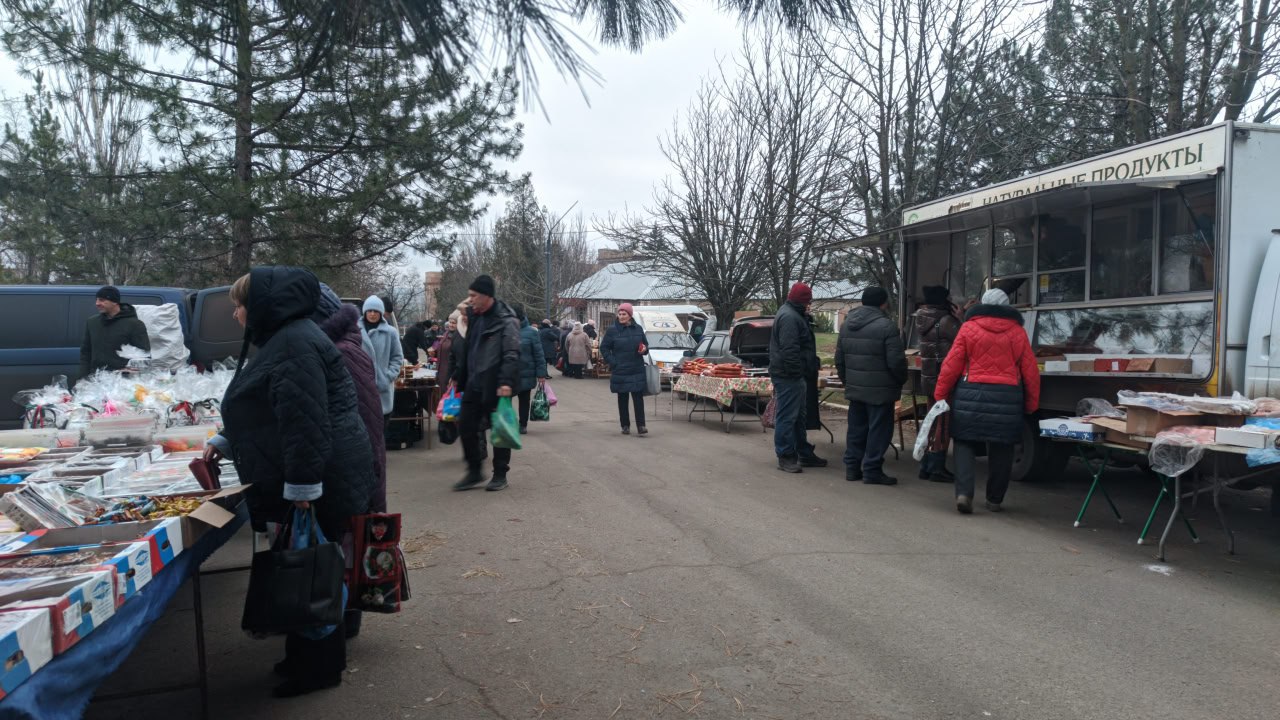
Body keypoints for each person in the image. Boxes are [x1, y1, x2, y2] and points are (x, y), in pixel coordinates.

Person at [207, 267, 374, 698]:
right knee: (304, 564)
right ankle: (304, 657)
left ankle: (318, 668)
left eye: (239, 305)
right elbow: (267, 407)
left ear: (262, 306)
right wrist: (224, 441)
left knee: (311, 568)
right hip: (318, 471)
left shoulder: (294, 344)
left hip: (320, 475)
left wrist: (302, 490)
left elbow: (304, 423)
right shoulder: (287, 339)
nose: (236, 314)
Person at [934, 288, 1041, 514]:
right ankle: (994, 500)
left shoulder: (968, 328)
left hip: (970, 394)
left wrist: (940, 394)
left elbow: (951, 364)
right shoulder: (1017, 331)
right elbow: (1030, 370)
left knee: (964, 442)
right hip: (1007, 396)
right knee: (1003, 446)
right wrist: (1031, 403)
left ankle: (964, 493)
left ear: (982, 304)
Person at [451, 275, 521, 492]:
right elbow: (470, 349)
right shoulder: (476, 317)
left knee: (500, 430)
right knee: (466, 426)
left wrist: (506, 381)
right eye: (469, 295)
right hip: (474, 382)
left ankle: (500, 474)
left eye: (474, 295)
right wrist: (459, 375)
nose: (470, 299)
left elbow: (511, 353)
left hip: (495, 383)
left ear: (487, 295)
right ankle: (474, 471)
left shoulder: (506, 320)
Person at [835, 287, 907, 485]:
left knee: (856, 429)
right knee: (879, 431)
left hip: (855, 387)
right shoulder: (887, 326)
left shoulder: (847, 325)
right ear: (883, 303)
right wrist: (900, 380)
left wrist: (847, 381)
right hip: (881, 389)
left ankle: (852, 467)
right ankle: (872, 469)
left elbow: (839, 359)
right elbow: (896, 362)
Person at [769, 282, 826, 473]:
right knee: (787, 417)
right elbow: (790, 349)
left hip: (792, 374)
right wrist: (797, 373)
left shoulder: (793, 314)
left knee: (798, 417)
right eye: (808, 301)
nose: (809, 304)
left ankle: (803, 452)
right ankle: (785, 455)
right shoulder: (789, 317)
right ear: (803, 301)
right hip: (789, 375)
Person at [915, 286, 962, 483]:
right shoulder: (946, 321)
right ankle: (936, 467)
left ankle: (926, 464)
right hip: (944, 378)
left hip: (928, 377)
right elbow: (965, 338)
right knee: (943, 422)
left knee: (931, 420)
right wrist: (961, 317)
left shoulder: (921, 317)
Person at [79, 285, 151, 377]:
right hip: (96, 379)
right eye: (96, 300)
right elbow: (85, 353)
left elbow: (144, 356)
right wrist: (82, 378)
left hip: (123, 380)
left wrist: (130, 371)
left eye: (102, 300)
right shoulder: (92, 322)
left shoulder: (134, 324)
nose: (97, 303)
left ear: (115, 302)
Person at [601, 303, 650, 435]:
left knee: (638, 398)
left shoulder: (638, 329)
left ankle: (641, 426)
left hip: (636, 368)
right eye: (620, 314)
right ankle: (625, 425)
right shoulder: (612, 330)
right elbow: (604, 348)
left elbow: (645, 345)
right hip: (620, 369)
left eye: (624, 314)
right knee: (623, 399)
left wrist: (644, 349)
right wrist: (613, 362)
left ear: (630, 315)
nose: (621, 316)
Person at [361, 296, 405, 426]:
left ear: (381, 312)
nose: (372, 314)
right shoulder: (355, 330)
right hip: (361, 389)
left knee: (380, 431)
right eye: (369, 311)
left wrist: (387, 377)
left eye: (376, 311)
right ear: (364, 312)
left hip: (382, 391)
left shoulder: (390, 332)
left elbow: (397, 358)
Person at [511, 304, 547, 433]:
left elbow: (539, 354)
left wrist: (541, 374)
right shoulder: (505, 330)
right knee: (505, 400)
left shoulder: (532, 332)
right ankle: (509, 423)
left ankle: (523, 424)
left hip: (526, 372)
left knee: (524, 400)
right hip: (509, 373)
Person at [437, 311, 463, 386]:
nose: (451, 325)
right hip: (441, 370)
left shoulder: (459, 336)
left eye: (454, 323)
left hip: (450, 373)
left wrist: (454, 376)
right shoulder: (446, 334)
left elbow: (459, 358)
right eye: (450, 322)